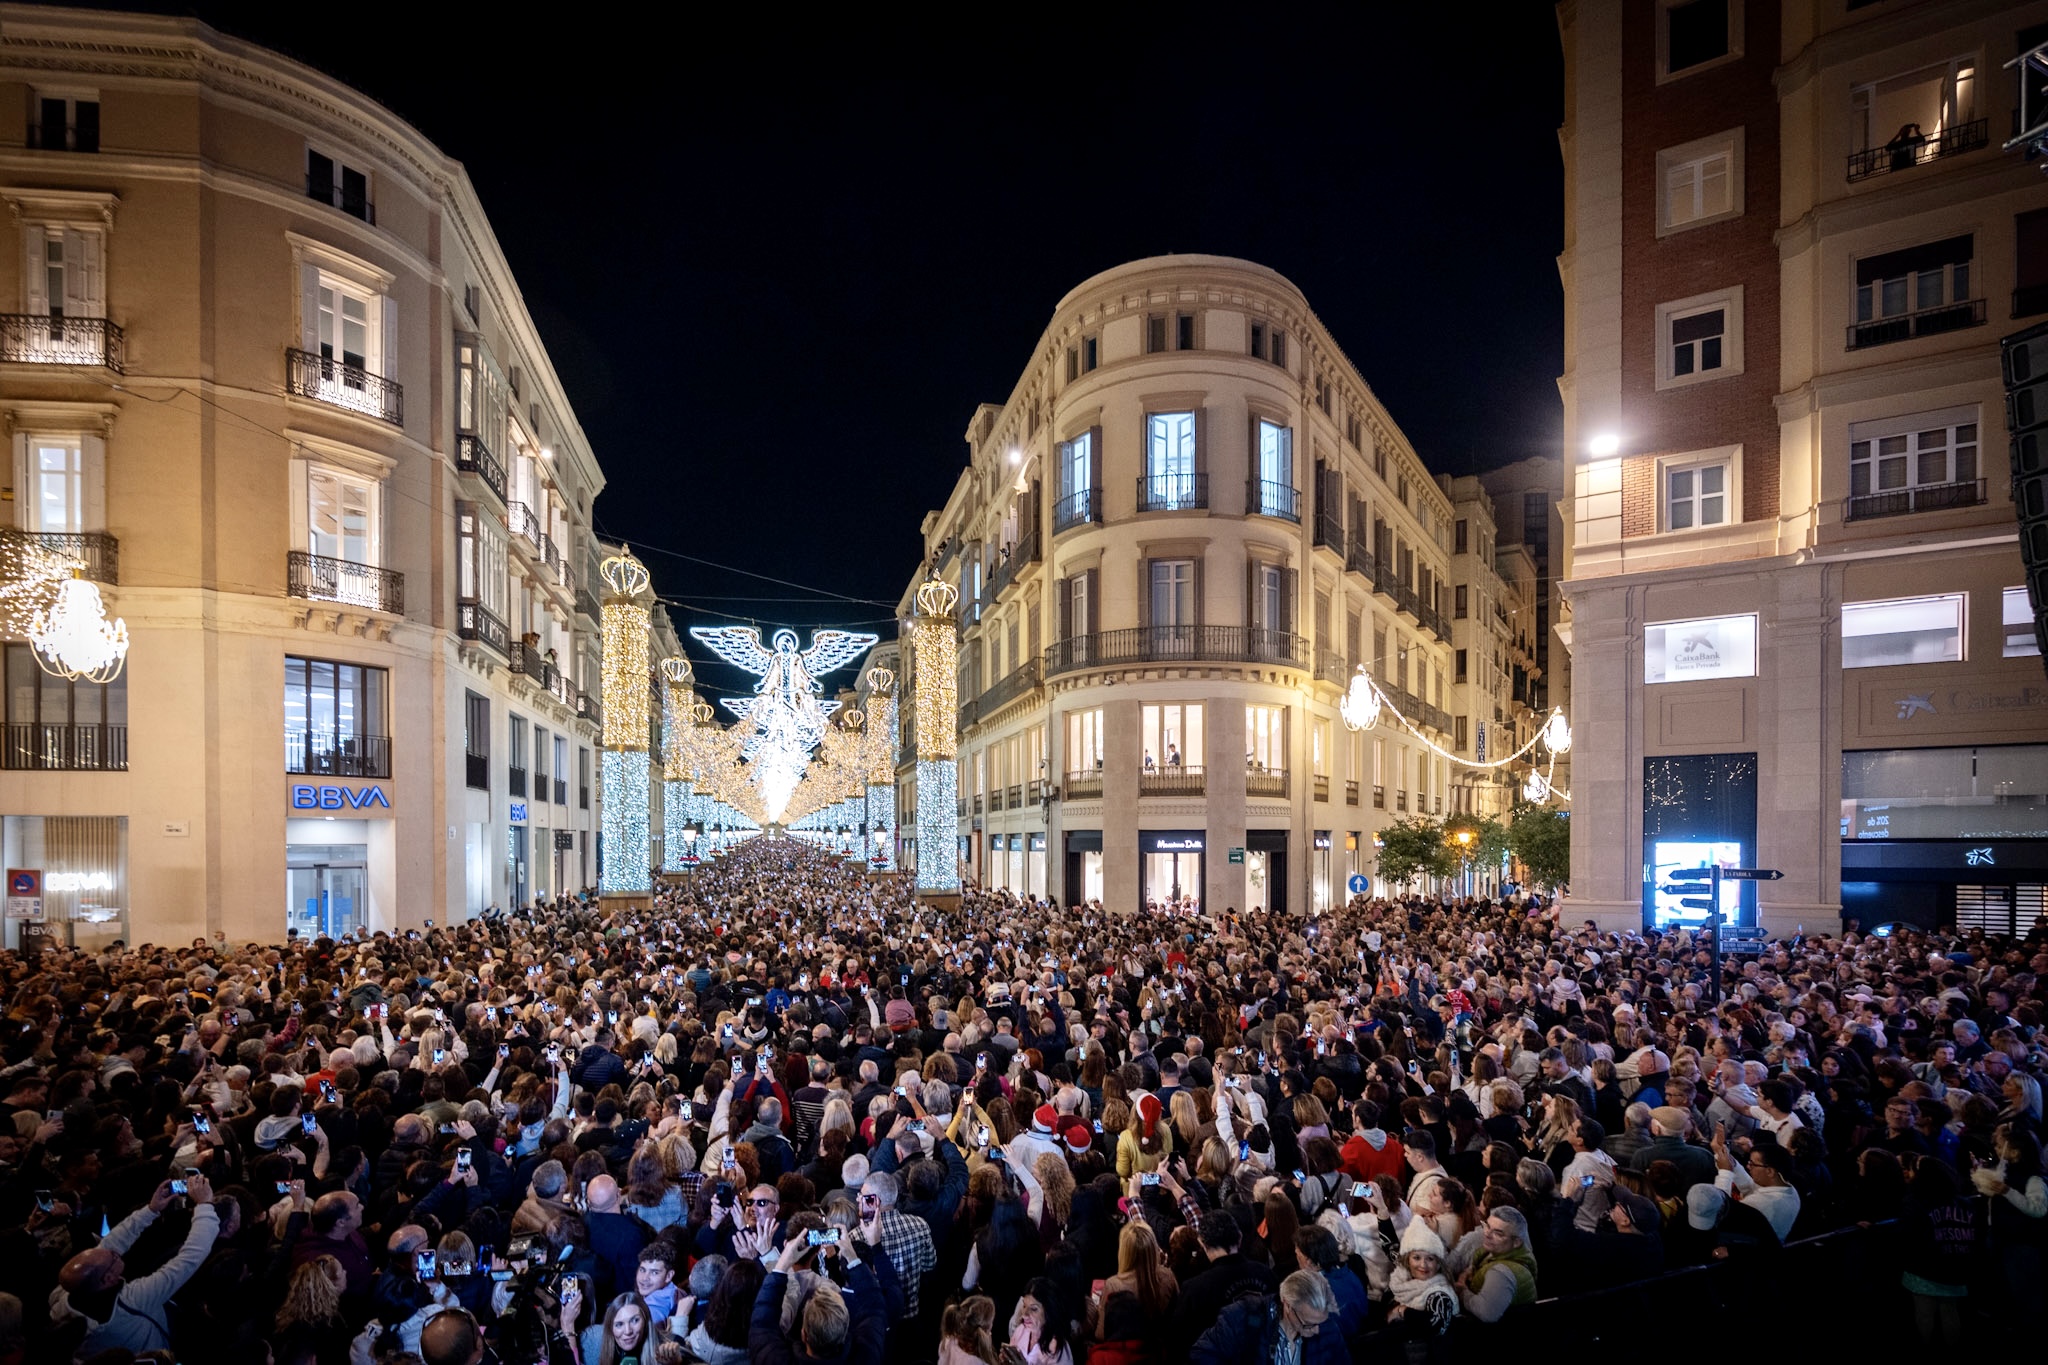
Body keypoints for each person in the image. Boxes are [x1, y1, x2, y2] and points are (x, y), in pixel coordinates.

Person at [49, 1174, 221, 1357]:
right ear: (108, 1278)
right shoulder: (135, 1298)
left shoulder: (63, 1296)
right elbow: (191, 1256)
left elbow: (113, 1241)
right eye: (113, 1258)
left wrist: (151, 1210)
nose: (116, 1252)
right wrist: (204, 1206)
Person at [1188, 1269, 1345, 1365]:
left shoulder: (1327, 1327)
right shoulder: (1242, 1317)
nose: (1317, 1330)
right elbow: (1201, 1354)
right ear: (1288, 1305)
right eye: (1308, 1324)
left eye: (1321, 1321)